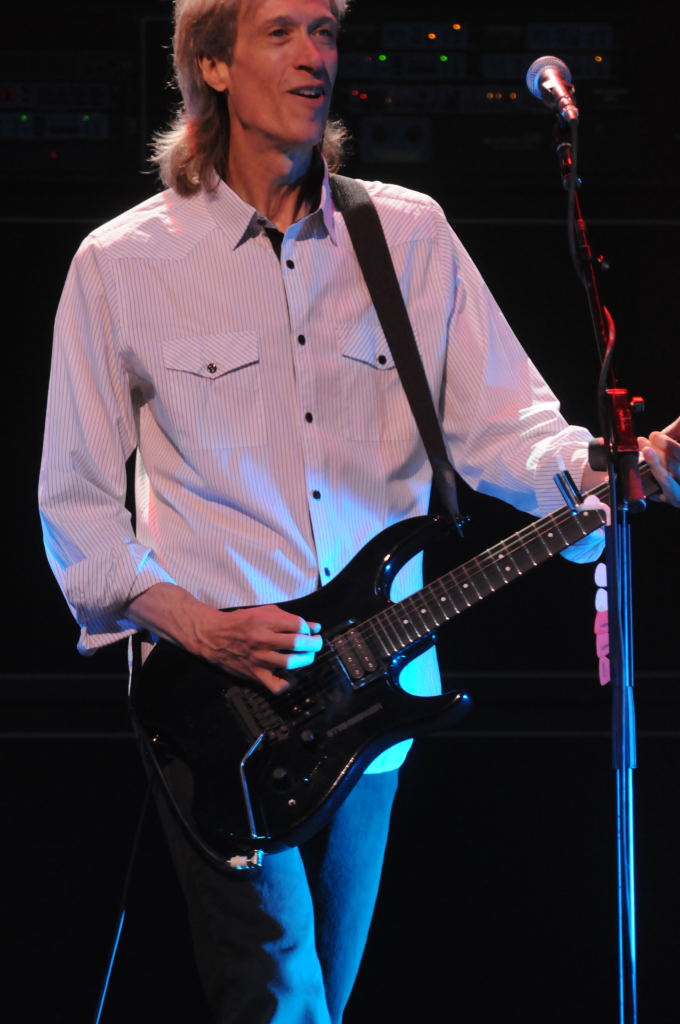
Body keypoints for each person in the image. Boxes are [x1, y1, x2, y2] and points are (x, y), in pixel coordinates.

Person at [38, 0, 680, 1021]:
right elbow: (74, 508)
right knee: (280, 995)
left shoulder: (407, 235)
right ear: (212, 64)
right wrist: (201, 626)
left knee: (322, 1001)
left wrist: (614, 469)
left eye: (326, 32)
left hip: (377, 706)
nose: (315, 56)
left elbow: (510, 431)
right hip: (219, 709)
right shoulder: (122, 262)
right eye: (282, 31)